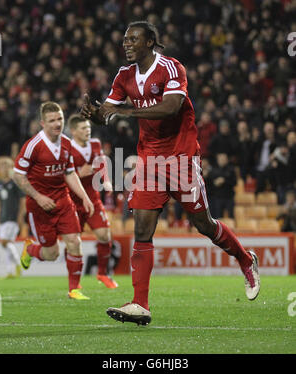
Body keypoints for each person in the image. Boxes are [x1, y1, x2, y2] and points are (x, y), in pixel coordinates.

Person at [80, 21, 260, 325]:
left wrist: (124, 112)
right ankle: (140, 304)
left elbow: (171, 106)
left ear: (150, 41)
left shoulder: (171, 67)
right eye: (124, 40)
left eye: (133, 39)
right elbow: (107, 114)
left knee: (203, 223)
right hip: (150, 159)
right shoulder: (124, 75)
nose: (126, 44)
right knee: (142, 229)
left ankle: (245, 258)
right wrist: (96, 115)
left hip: (181, 156)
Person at [13, 101, 94, 300]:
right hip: (40, 206)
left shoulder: (67, 143)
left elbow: (69, 173)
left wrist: (84, 197)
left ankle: (74, 289)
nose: (57, 124)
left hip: (63, 200)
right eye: (52, 120)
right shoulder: (33, 146)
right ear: (43, 123)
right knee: (52, 254)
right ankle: (31, 249)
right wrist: (39, 197)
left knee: (74, 241)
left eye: (60, 119)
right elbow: (17, 175)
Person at [67, 114, 118, 288]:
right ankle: (74, 283)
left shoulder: (95, 144)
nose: (87, 131)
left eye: (88, 128)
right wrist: (81, 173)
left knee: (105, 235)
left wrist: (107, 180)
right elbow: (64, 176)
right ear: (73, 131)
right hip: (73, 202)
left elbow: (101, 162)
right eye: (83, 128)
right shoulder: (66, 148)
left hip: (93, 199)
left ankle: (102, 274)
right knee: (74, 241)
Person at [0, 156, 25, 278]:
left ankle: (18, 264)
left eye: (5, 165)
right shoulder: (0, 185)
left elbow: (23, 201)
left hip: (13, 217)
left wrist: (20, 216)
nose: (3, 168)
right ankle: (10, 271)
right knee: (6, 245)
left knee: (5, 242)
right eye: (1, 166)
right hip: (3, 217)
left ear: (11, 168)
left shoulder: (15, 184)